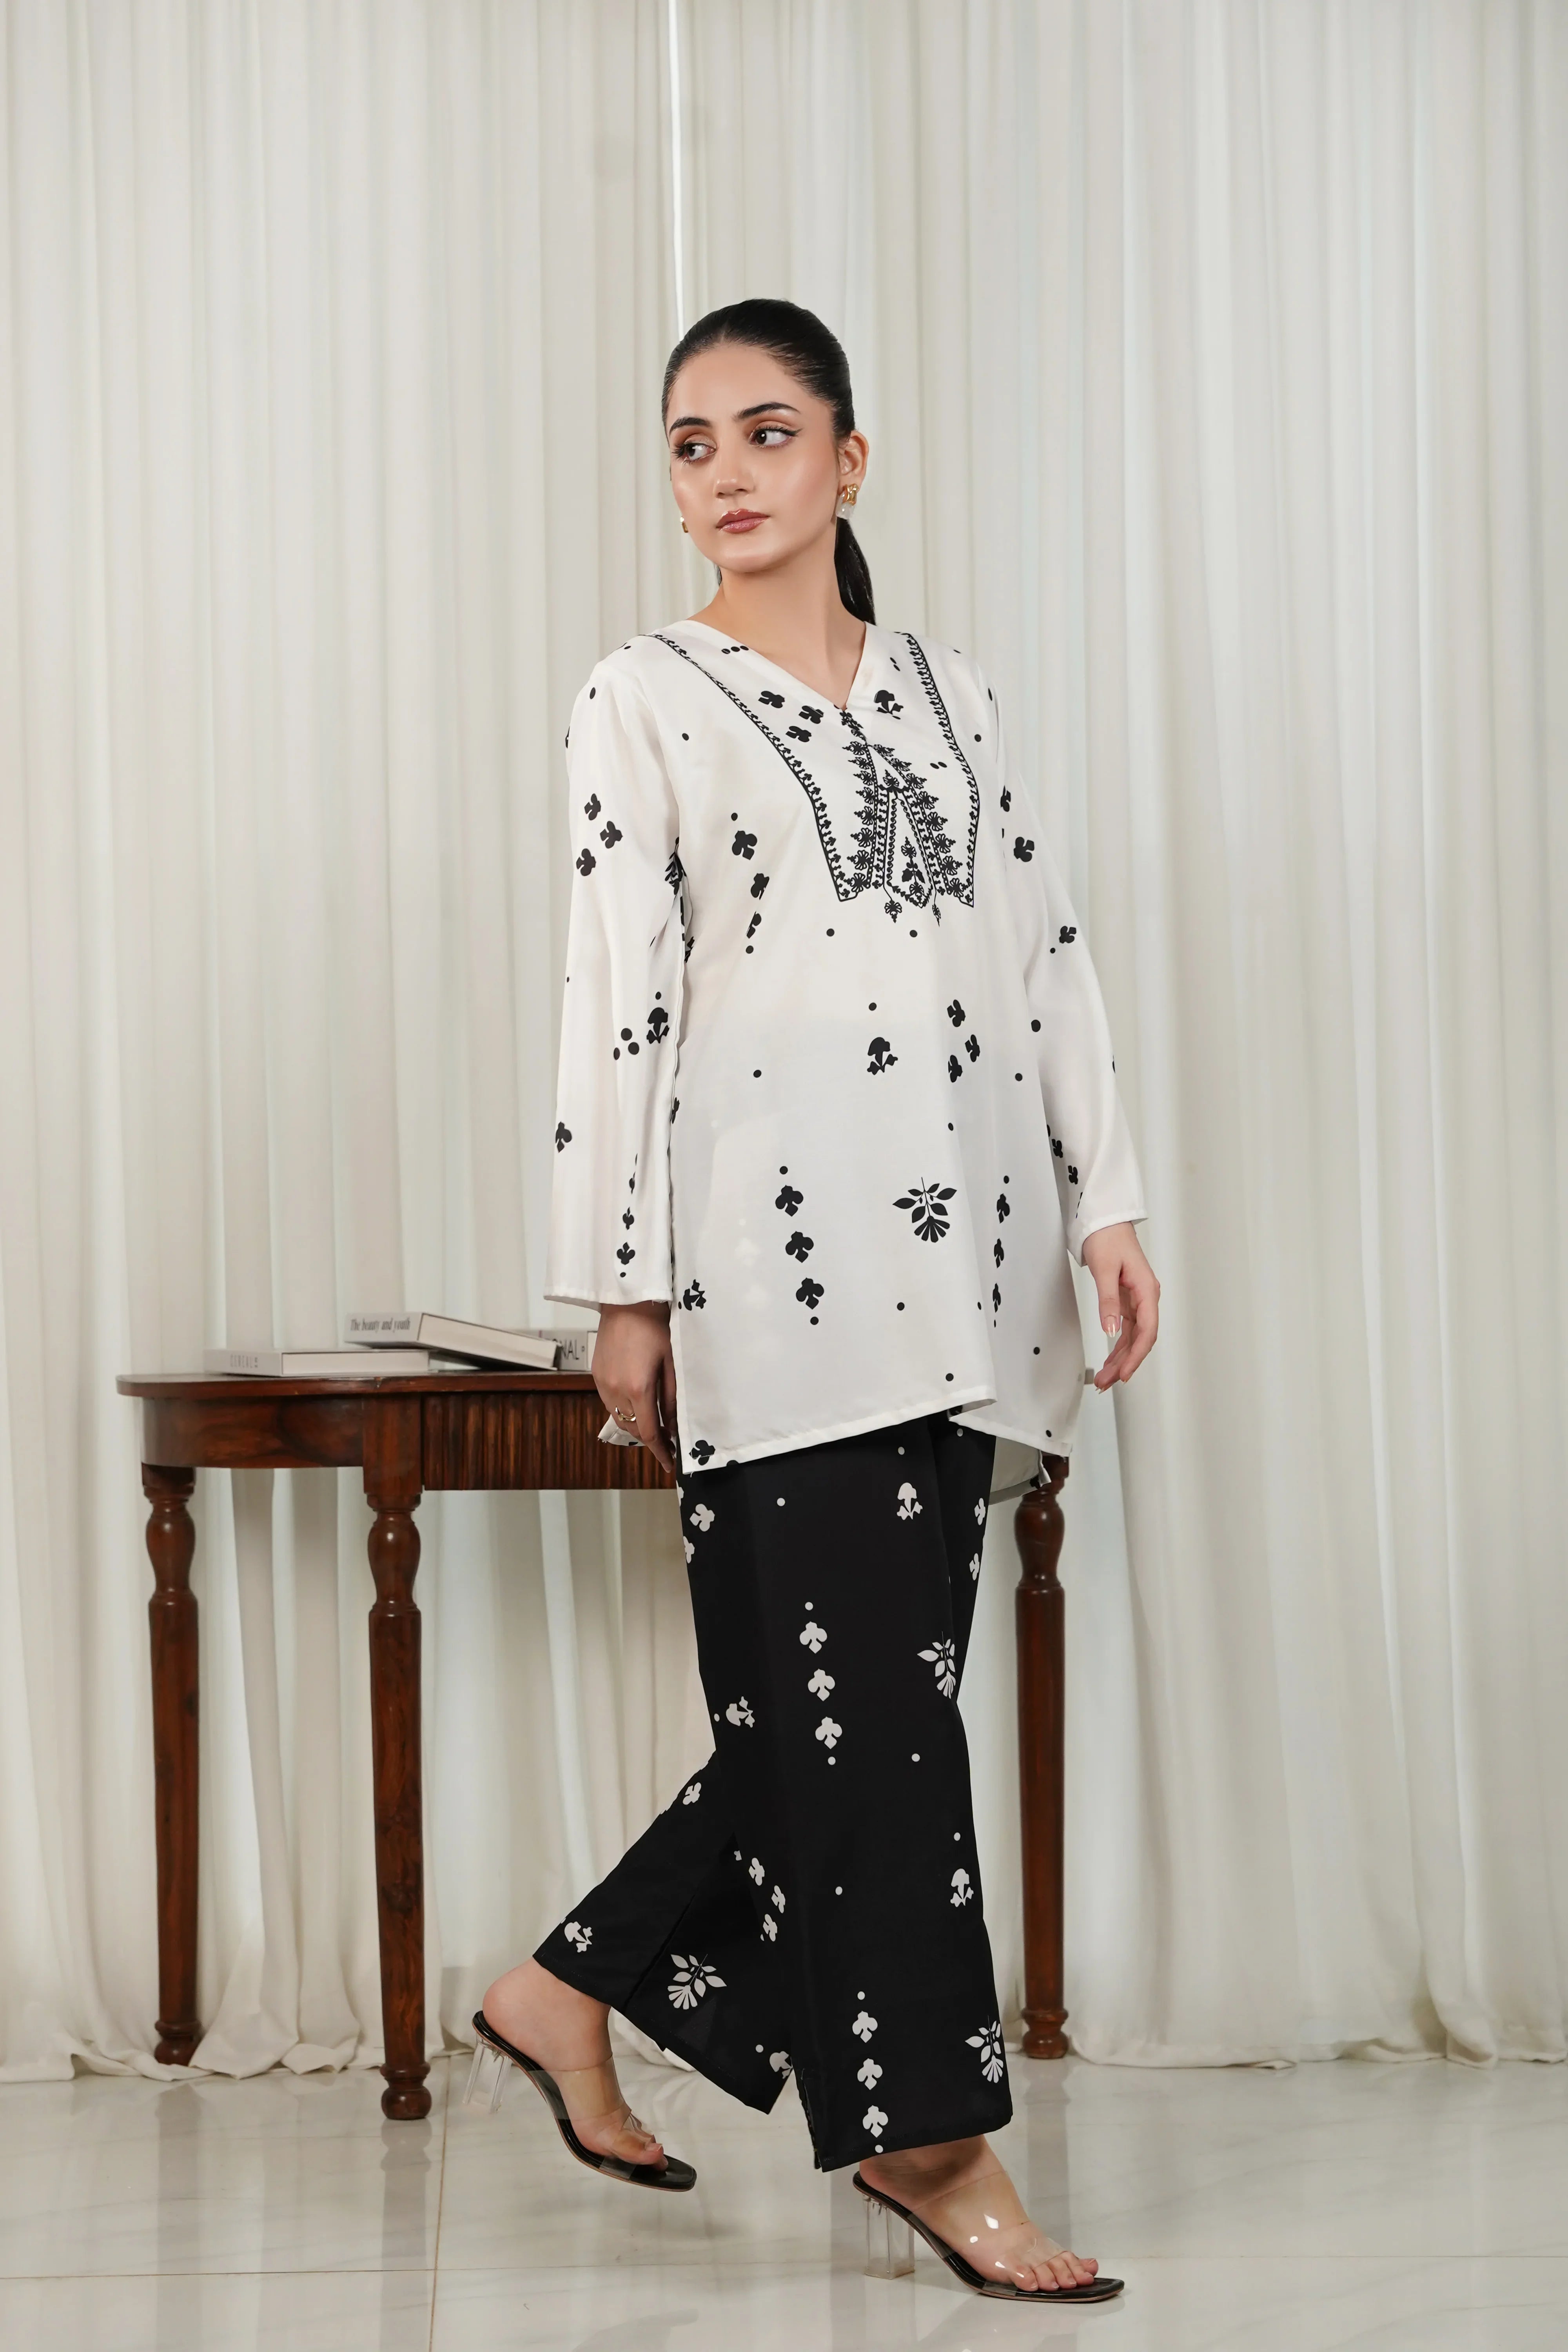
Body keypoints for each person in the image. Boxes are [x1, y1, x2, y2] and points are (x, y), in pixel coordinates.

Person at [472, 299, 1158, 2303]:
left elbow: (1042, 953)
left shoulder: (957, 695)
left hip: (968, 1264)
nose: (727, 474)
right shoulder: (642, 698)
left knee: (861, 1710)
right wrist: (620, 1288)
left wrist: (1107, 1200)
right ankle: (934, 2148)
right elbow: (619, 998)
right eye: (691, 444)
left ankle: (566, 1987)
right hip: (765, 1275)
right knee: (880, 1740)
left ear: (850, 461)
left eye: (768, 432)